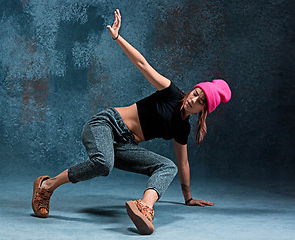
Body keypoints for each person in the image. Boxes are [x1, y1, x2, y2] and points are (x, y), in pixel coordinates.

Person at [31, 9, 231, 235]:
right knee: (103, 164)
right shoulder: (172, 93)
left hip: (124, 146)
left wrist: (189, 198)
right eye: (196, 93)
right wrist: (118, 37)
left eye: (200, 101)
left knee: (169, 166)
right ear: (194, 89)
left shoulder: (182, 127)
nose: (193, 99)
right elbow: (143, 64)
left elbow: (183, 164)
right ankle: (46, 186)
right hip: (105, 124)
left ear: (203, 110)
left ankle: (144, 206)